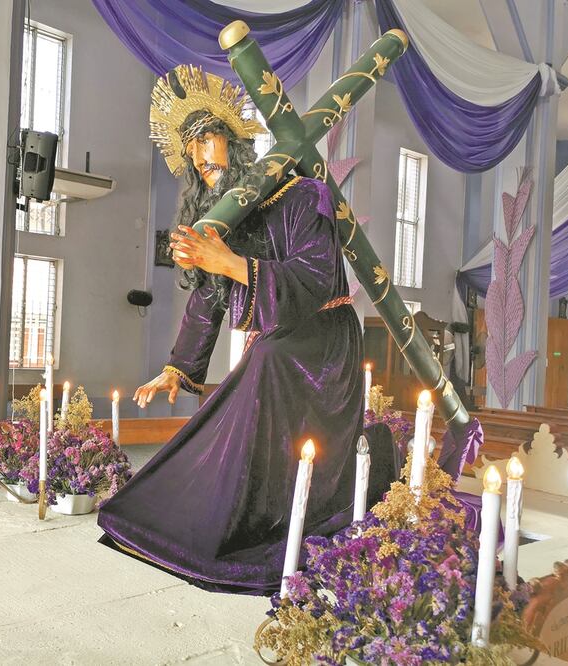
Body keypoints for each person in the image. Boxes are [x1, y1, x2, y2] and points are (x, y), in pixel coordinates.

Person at [97, 65, 389, 595]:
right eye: (197, 162)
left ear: (236, 143)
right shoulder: (229, 219)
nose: (206, 165)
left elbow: (318, 277)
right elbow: (208, 300)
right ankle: (221, 509)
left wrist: (232, 263)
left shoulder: (302, 196)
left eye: (213, 147)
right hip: (277, 344)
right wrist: (176, 368)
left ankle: (261, 520)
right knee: (254, 370)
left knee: (263, 362)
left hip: (323, 336)